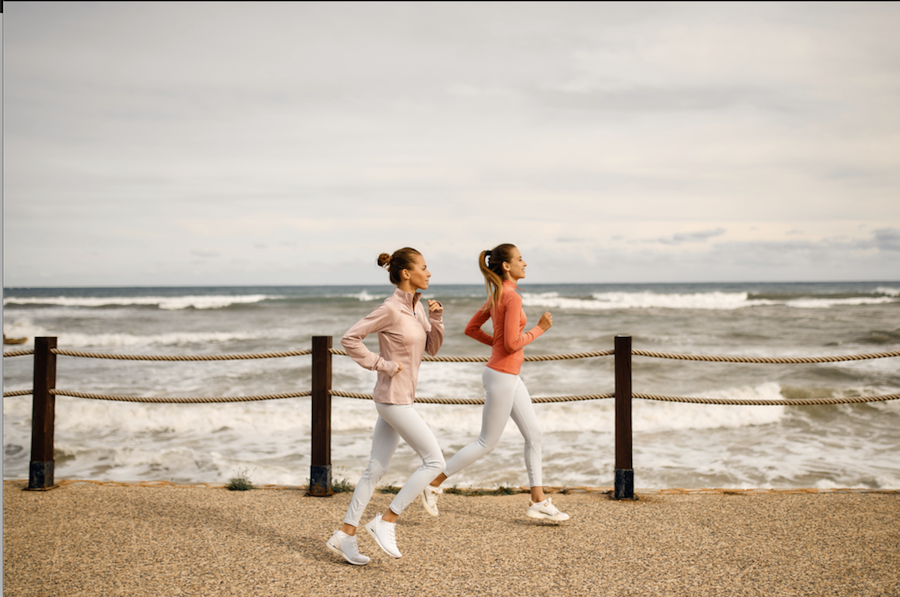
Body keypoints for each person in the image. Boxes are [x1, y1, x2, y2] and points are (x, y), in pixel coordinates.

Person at [420, 243, 569, 522]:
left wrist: (497, 345)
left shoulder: (499, 295)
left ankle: (538, 500)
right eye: (521, 259)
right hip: (502, 375)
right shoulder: (511, 298)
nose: (525, 264)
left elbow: (471, 329)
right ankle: (432, 484)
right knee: (487, 442)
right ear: (506, 266)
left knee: (534, 434)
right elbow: (511, 344)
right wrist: (540, 329)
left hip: (507, 374)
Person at [326, 247, 446, 565]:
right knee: (435, 462)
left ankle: (345, 535)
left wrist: (436, 319)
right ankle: (387, 520)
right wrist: (384, 365)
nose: (429, 272)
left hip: (399, 399)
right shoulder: (391, 308)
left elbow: (431, 349)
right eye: (423, 266)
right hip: (393, 400)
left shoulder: (417, 309)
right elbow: (350, 338)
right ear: (406, 273)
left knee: (374, 471)